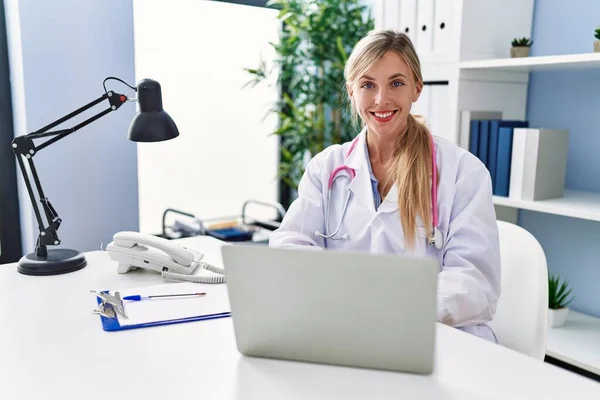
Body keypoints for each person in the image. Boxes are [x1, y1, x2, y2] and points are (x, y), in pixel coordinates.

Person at [269, 30, 501, 342]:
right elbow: (291, 247)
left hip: (434, 336)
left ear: (416, 89)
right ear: (351, 90)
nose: (382, 99)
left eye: (396, 83)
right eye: (368, 85)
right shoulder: (326, 168)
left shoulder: (462, 172)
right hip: (346, 330)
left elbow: (474, 282)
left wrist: (390, 310)